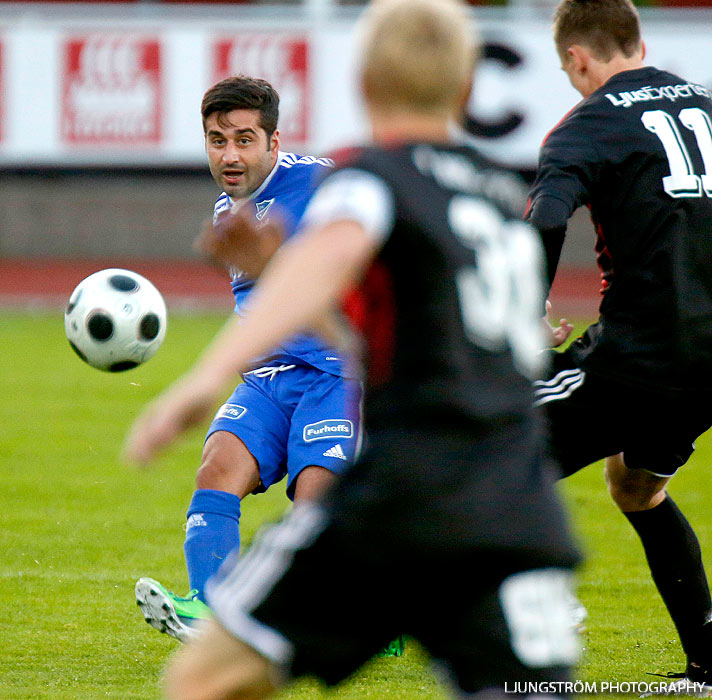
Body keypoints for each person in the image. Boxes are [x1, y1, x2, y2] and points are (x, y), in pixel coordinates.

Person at [123, 0, 583, 698]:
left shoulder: (362, 179)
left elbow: (326, 262)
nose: (230, 153)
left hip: (407, 480)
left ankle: (356, 608)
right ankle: (259, 604)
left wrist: (199, 380)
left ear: (364, 83)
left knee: (201, 683)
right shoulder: (494, 190)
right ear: (465, 90)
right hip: (516, 500)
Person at [126, 75, 364, 645]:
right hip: (268, 378)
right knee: (218, 465)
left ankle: (362, 614)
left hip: (337, 373)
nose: (229, 155)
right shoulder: (230, 205)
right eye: (216, 140)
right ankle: (211, 610)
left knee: (316, 501)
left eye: (243, 139)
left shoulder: (322, 184)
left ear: (273, 141)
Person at [526, 0, 712, 690]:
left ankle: (543, 611)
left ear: (577, 57)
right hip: (707, 362)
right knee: (636, 486)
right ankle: (708, 663)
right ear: (637, 40)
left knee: (494, 450)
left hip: (642, 356)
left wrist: (524, 317)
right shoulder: (705, 103)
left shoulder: (588, 124)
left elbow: (545, 216)